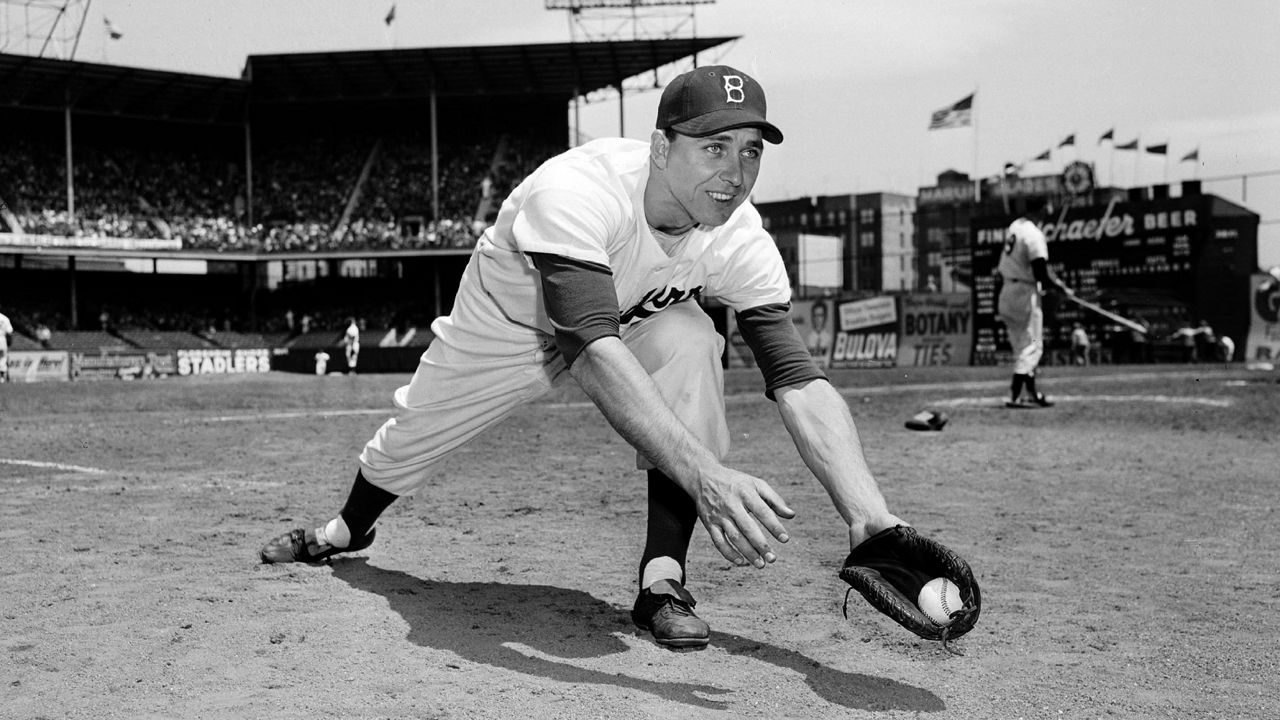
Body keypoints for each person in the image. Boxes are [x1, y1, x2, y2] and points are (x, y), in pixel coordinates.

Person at [259, 65, 906, 650]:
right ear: (661, 148)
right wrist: (706, 475)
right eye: (714, 147)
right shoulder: (579, 188)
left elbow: (796, 378)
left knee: (689, 341)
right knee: (410, 438)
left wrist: (869, 519)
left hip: (626, 323)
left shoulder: (739, 235)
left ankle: (662, 582)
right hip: (510, 327)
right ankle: (346, 531)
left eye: (750, 151)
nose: (735, 173)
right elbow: (591, 350)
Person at [996, 197, 1073, 408]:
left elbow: (1038, 269)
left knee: (1021, 347)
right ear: (1042, 209)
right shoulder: (1034, 234)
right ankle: (1014, 395)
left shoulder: (1016, 226)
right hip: (1023, 292)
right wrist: (1060, 289)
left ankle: (1031, 393)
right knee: (1032, 347)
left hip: (1007, 290)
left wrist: (1058, 284)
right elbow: (1041, 273)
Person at [806, 300, 832, 367]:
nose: (818, 318)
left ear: (825, 317)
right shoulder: (808, 338)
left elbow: (828, 362)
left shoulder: (829, 338)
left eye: (820, 315)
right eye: (815, 315)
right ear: (812, 317)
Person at [0, 306, 12, 383]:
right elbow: (9, 331)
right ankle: (1, 378)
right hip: (2, 340)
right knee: (2, 358)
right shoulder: (5, 318)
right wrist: (9, 342)